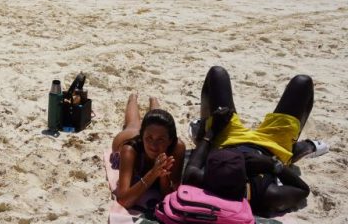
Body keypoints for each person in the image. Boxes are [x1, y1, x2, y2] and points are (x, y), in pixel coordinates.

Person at [183, 66, 323, 216]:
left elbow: (191, 169)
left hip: (226, 140)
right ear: (245, 178)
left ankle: (202, 129)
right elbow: (303, 190)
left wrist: (212, 130)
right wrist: (273, 164)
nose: (241, 155)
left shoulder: (201, 179)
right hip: (272, 148)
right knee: (303, 82)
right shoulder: (265, 194)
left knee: (217, 73)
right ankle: (293, 149)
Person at [110, 94, 185, 209]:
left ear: (170, 140)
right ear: (142, 136)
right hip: (127, 137)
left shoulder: (177, 148)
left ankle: (153, 99)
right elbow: (124, 201)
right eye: (149, 138)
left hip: (147, 133)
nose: (153, 146)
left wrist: (163, 176)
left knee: (157, 119)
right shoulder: (129, 150)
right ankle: (133, 97)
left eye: (161, 140)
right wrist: (153, 173)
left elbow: (170, 194)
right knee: (132, 124)